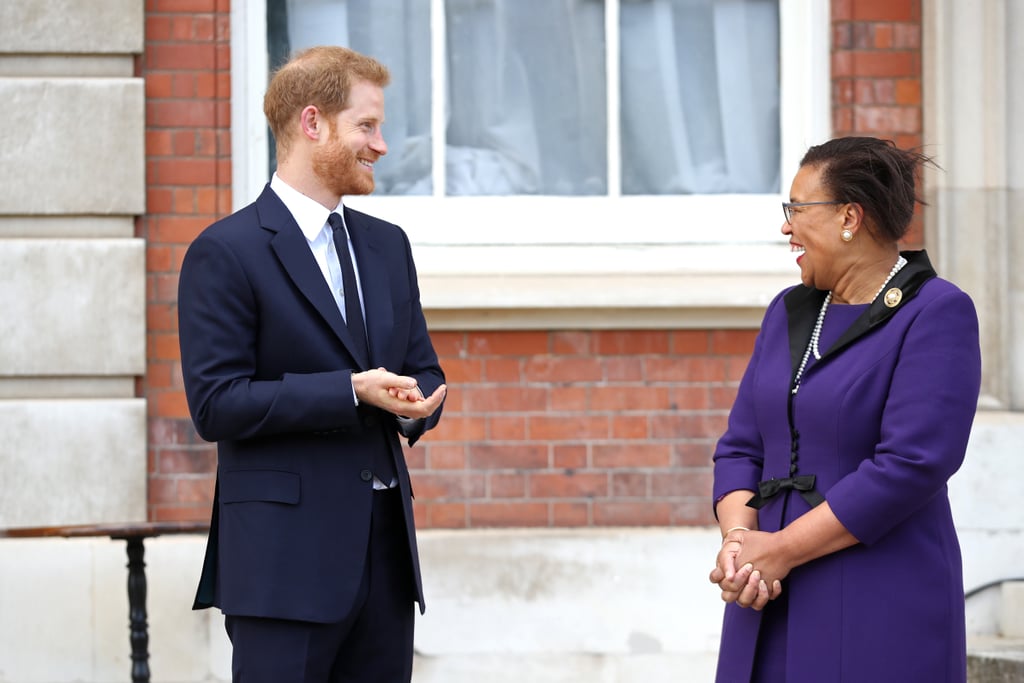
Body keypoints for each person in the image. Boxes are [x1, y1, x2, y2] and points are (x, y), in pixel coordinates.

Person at [177, 46, 446, 683]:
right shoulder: (226, 251)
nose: (381, 145)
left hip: (384, 563)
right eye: (366, 126)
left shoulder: (387, 246)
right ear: (312, 123)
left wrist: (416, 405)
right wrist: (352, 391)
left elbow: (423, 369)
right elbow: (217, 404)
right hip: (281, 571)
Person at [708, 136, 981, 682]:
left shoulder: (936, 312)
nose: (786, 228)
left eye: (797, 210)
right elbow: (741, 446)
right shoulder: (788, 310)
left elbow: (910, 465)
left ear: (849, 218)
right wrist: (741, 546)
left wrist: (781, 549)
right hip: (766, 595)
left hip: (876, 601)